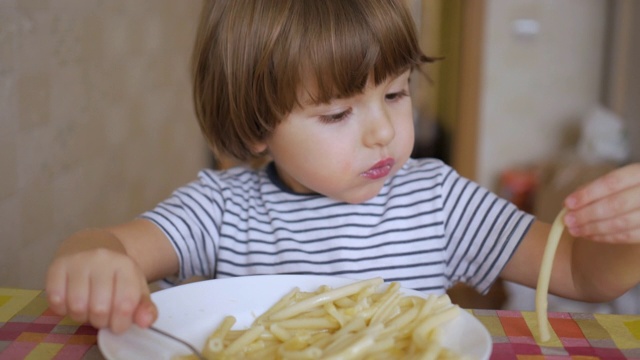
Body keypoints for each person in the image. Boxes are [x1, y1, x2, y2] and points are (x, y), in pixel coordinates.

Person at [46, 0, 640, 334]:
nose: (382, 130)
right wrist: (92, 263)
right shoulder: (223, 210)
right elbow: (107, 245)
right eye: (336, 114)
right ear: (258, 127)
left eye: (396, 93)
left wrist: (630, 234)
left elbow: (583, 274)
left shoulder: (438, 201)